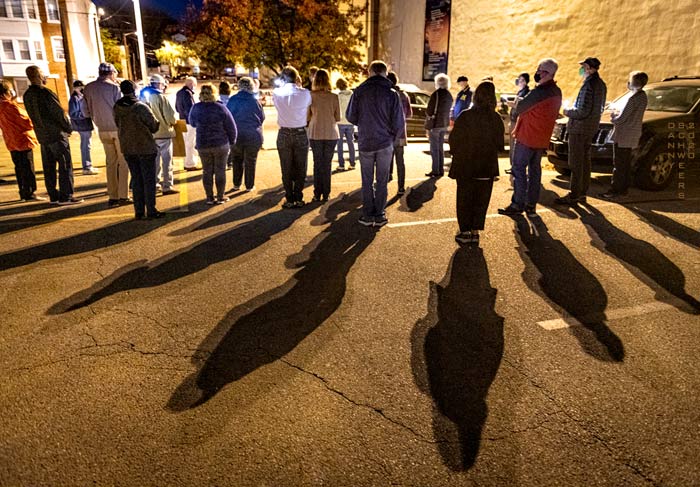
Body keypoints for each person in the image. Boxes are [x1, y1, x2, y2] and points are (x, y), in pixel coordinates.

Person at [498, 59, 562, 216]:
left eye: (540, 70)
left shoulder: (539, 92)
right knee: (534, 172)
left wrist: (517, 102)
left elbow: (521, 107)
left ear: (546, 73)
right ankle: (531, 205)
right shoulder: (556, 91)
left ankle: (517, 204)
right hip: (541, 138)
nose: (537, 72)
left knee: (518, 169)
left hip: (527, 136)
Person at [346, 60, 404, 227]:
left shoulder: (359, 91)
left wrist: (363, 125)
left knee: (367, 179)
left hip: (365, 141)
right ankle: (379, 214)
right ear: (385, 73)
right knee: (382, 179)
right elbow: (399, 123)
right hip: (385, 142)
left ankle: (367, 214)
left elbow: (351, 116)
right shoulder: (392, 93)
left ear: (369, 72)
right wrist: (391, 137)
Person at [449, 81, 504, 245]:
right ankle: (475, 231)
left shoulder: (466, 116)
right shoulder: (496, 118)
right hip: (486, 168)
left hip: (466, 166)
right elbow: (500, 145)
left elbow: (454, 140)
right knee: (481, 200)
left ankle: (465, 230)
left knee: (465, 198)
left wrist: (458, 154)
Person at [22, 66, 82, 205]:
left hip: (43, 135)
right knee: (65, 164)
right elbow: (58, 113)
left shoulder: (27, 95)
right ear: (38, 76)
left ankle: (53, 195)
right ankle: (66, 195)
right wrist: (68, 127)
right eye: (43, 74)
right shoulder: (45, 93)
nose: (46, 77)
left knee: (48, 167)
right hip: (55, 134)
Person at [555, 57, 607, 205]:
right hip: (590, 127)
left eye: (584, 66)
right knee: (585, 161)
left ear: (590, 68)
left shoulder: (589, 85)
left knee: (576, 162)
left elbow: (582, 111)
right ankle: (582, 192)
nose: (581, 69)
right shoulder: (601, 84)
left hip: (579, 128)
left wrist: (567, 111)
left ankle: (574, 194)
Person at [114, 80, 164, 220]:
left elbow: (117, 123)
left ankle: (139, 211)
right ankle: (151, 210)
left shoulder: (117, 107)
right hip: (144, 147)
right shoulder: (140, 107)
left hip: (128, 147)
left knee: (136, 179)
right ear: (134, 90)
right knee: (148, 180)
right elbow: (153, 126)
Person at [83, 62, 130, 207]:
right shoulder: (114, 88)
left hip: (101, 128)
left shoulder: (88, 88)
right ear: (111, 73)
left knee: (110, 162)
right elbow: (121, 108)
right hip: (117, 128)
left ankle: (113, 195)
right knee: (123, 161)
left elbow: (85, 111)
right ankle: (123, 194)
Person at [600, 71, 649, 199]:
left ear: (635, 82)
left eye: (630, 80)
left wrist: (613, 116)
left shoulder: (633, 98)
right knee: (626, 163)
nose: (628, 83)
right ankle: (624, 189)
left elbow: (622, 118)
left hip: (624, 134)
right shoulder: (643, 97)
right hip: (632, 133)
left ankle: (616, 190)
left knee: (619, 163)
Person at [188, 84, 238, 205]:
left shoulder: (196, 108)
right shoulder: (220, 108)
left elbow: (192, 123)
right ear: (214, 94)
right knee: (220, 170)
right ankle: (220, 196)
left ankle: (209, 197)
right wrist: (232, 141)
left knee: (207, 171)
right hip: (220, 144)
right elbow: (231, 127)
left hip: (203, 144)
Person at [272, 65, 312, 208]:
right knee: (301, 167)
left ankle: (289, 198)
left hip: (283, 133)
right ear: (297, 78)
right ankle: (298, 197)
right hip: (300, 132)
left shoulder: (276, 92)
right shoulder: (305, 93)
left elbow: (276, 106)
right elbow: (308, 107)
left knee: (286, 167)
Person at [0, 80, 43, 201]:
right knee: (28, 167)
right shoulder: (10, 106)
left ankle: (23, 191)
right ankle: (30, 192)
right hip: (22, 140)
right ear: (6, 92)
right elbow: (26, 121)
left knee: (19, 167)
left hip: (11, 141)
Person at [142, 74, 178, 195]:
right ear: (159, 84)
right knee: (167, 161)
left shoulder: (142, 97)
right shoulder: (160, 97)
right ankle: (167, 186)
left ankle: (154, 184)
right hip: (163, 133)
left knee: (154, 162)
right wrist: (173, 122)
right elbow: (170, 117)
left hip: (150, 134)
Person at [226, 76, 265, 192]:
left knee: (236, 159)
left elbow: (227, 117)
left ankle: (236, 184)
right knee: (250, 160)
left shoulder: (232, 100)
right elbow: (262, 117)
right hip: (253, 135)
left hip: (236, 134)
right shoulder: (255, 101)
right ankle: (249, 185)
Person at [308, 69, 340, 202]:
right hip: (331, 132)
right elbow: (338, 117)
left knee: (317, 163)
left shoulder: (310, 96)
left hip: (315, 132)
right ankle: (326, 193)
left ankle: (317, 193)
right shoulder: (334, 97)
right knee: (327, 164)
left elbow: (308, 116)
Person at [387, 71, 412, 195]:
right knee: (400, 161)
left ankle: (387, 178)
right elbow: (409, 114)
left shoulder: (386, 95)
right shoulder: (404, 95)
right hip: (401, 132)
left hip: (387, 132)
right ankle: (401, 187)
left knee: (386, 158)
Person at [425, 73, 453, 177]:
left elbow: (429, 110)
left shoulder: (436, 94)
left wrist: (428, 125)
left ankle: (435, 170)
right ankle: (440, 170)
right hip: (444, 123)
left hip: (435, 124)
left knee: (434, 148)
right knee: (440, 147)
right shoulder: (449, 95)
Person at [68, 80, 97, 175]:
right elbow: (73, 114)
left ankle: (88, 165)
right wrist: (85, 115)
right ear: (76, 88)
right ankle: (87, 167)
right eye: (80, 87)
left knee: (86, 145)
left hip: (85, 124)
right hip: (82, 125)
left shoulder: (81, 97)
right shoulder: (75, 99)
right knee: (85, 146)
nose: (82, 89)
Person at [505, 72, 531, 174]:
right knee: (512, 145)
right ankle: (513, 166)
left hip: (517, 121)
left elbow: (522, 107)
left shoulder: (526, 93)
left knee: (515, 146)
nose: (518, 82)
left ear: (524, 81)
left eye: (520, 80)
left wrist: (513, 105)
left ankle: (515, 167)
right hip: (513, 120)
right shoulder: (520, 92)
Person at [176, 76, 200, 171]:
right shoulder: (188, 94)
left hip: (182, 120)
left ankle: (187, 162)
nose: (195, 87)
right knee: (191, 143)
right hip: (189, 122)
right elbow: (190, 109)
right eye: (194, 85)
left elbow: (177, 108)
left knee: (186, 143)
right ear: (191, 84)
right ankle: (190, 164)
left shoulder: (179, 93)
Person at [335, 77, 355, 171]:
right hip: (350, 122)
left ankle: (341, 164)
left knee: (340, 144)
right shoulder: (352, 95)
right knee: (350, 142)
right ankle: (352, 163)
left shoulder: (338, 96)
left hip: (340, 122)